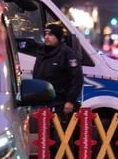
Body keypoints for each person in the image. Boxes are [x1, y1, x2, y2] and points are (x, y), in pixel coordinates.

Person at [33, 23, 84, 158]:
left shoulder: (67, 53)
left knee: (62, 141)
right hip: (45, 104)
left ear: (58, 37)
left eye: (51, 35)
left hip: (61, 105)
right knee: (46, 141)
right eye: (46, 34)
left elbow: (76, 79)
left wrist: (70, 101)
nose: (47, 37)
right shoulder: (42, 52)